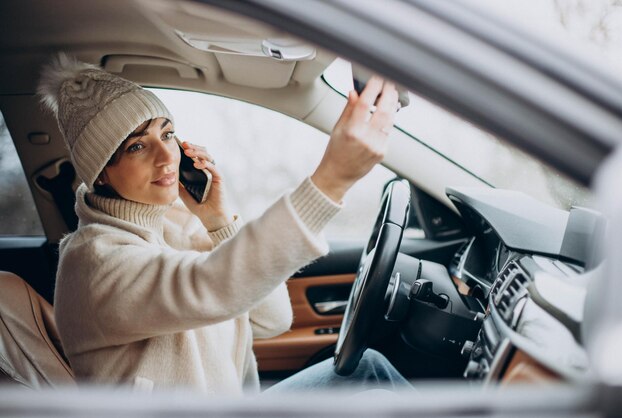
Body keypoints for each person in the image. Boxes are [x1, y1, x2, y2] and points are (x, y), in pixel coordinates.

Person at [38, 53, 411, 395]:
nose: (166, 154)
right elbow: (211, 284)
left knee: (369, 369)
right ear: (101, 174)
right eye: (137, 146)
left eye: (167, 134)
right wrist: (330, 181)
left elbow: (273, 320)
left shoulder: (175, 228)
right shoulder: (92, 262)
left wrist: (218, 221)